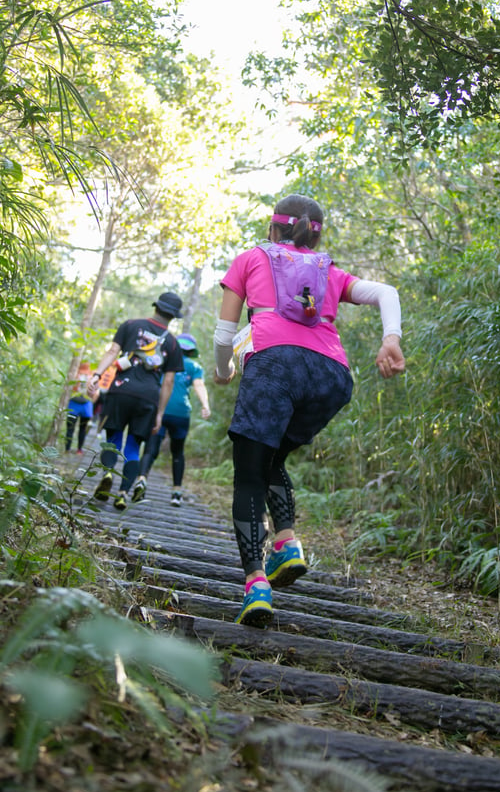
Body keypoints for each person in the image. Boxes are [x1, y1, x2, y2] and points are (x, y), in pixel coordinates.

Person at [213, 194, 405, 627]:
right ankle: (286, 544)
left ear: (273, 227)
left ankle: (256, 584)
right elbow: (386, 292)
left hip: (275, 366)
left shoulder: (249, 259)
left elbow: (225, 334)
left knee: (248, 471)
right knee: (272, 456)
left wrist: (224, 371)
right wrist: (390, 338)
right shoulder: (328, 271)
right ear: (316, 232)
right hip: (331, 376)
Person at [87, 292, 185, 511]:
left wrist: (97, 375)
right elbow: (168, 382)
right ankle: (122, 493)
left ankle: (109, 472)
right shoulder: (172, 343)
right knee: (133, 446)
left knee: (113, 439)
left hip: (121, 391)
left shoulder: (130, 325)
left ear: (156, 307)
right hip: (148, 398)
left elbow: (113, 351)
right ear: (173, 316)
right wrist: (159, 413)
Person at [132, 333, 211, 506]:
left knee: (150, 449)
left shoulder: (163, 361)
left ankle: (142, 478)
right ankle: (176, 492)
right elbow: (199, 385)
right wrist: (205, 405)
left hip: (160, 408)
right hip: (181, 414)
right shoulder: (194, 366)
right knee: (178, 453)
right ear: (191, 351)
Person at [65, 361, 93, 455]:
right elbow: (94, 394)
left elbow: (70, 388)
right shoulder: (91, 377)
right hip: (86, 405)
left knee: (70, 428)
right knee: (82, 428)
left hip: (74, 404)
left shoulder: (75, 375)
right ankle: (79, 450)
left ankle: (67, 449)